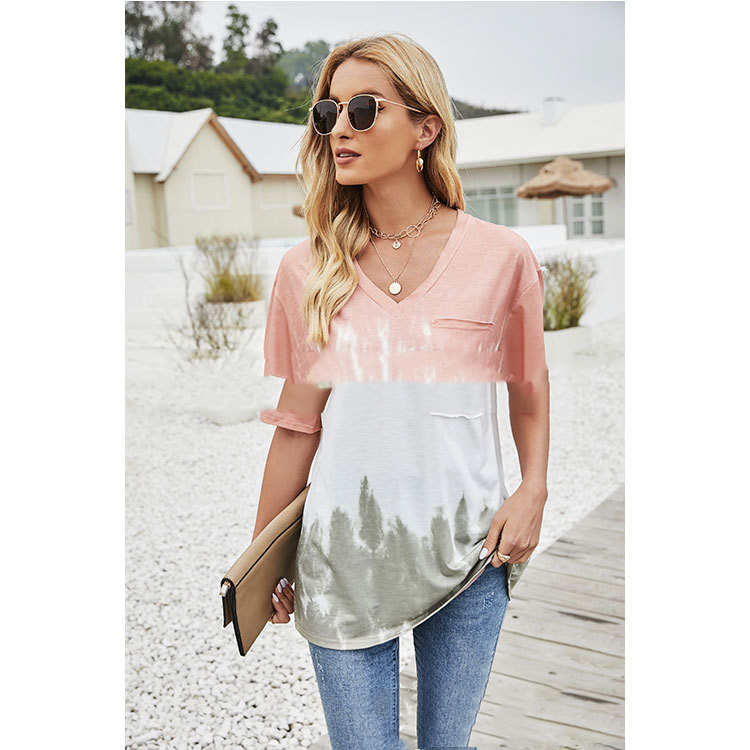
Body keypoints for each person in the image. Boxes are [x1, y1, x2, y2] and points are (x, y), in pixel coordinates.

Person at [251, 33, 550, 750]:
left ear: (425, 128)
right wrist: (261, 562)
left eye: (363, 109)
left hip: (470, 552)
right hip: (342, 559)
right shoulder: (307, 270)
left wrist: (533, 489)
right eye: (328, 114)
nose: (340, 129)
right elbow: (296, 425)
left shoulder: (501, 258)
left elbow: (529, 387)